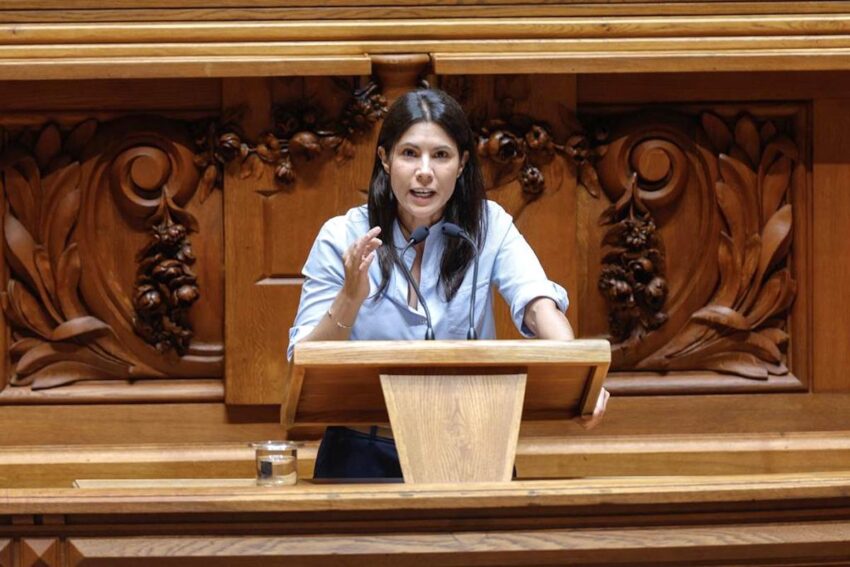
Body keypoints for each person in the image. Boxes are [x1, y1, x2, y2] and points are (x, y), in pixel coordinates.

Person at [288, 88, 608, 480]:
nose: (425, 171)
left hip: (470, 442)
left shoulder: (488, 226)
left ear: (462, 164)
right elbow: (304, 359)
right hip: (362, 449)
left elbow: (538, 305)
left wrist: (577, 373)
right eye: (409, 153)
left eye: (441, 155)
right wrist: (350, 298)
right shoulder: (342, 236)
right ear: (385, 159)